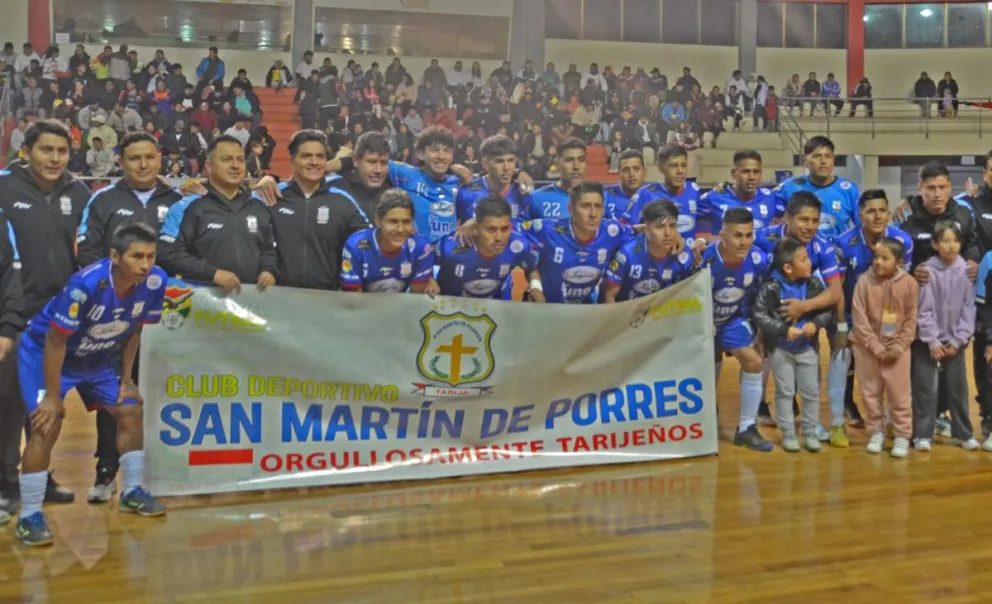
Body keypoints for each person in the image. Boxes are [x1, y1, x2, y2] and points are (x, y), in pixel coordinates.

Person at [14, 223, 167, 546]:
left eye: (151, 256)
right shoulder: (85, 285)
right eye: (136, 256)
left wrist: (127, 380)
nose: (145, 264)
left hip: (96, 356)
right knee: (46, 424)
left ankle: (131, 491)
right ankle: (29, 515)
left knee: (130, 410)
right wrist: (53, 398)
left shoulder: (155, 281)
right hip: (48, 354)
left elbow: (135, 329)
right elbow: (56, 341)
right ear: (115, 257)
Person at [75, 130, 183, 504]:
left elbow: (186, 253)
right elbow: (87, 251)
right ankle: (107, 471)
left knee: (160, 392)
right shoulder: (103, 199)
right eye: (134, 158)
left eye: (149, 157)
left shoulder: (179, 200)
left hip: (167, 317)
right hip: (116, 317)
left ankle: (156, 472)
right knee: (117, 392)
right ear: (121, 161)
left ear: (159, 159)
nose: (142, 164)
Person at [0, 120, 92, 510]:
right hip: (14, 311)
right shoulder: (4, 186)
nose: (55, 158)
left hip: (59, 316)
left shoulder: (80, 191)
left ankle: (37, 474)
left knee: (46, 401)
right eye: (46, 150)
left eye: (62, 151)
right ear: (27, 151)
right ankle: (5, 483)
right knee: (8, 401)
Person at [755, 192, 844, 444]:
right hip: (768, 314)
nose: (810, 226)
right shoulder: (765, 238)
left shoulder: (823, 246)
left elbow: (835, 291)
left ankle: (810, 425)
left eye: (815, 220)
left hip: (804, 319)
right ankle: (753, 418)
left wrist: (803, 308)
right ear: (787, 218)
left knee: (808, 373)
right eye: (803, 220)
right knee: (767, 368)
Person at [900, 163, 981, 437]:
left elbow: (973, 242)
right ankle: (921, 418)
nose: (937, 194)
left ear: (950, 188)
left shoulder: (963, 213)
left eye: (942, 187)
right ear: (919, 189)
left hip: (955, 305)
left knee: (953, 372)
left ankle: (943, 415)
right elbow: (897, 257)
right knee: (921, 372)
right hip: (920, 309)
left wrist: (973, 260)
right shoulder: (907, 218)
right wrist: (913, 271)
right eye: (930, 188)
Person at [158, 135, 278, 293]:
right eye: (226, 159)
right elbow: (167, 253)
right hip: (204, 305)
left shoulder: (259, 205)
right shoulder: (187, 207)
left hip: (252, 303)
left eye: (240, 160)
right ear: (209, 165)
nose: (235, 165)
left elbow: (269, 249)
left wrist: (268, 270)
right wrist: (212, 273)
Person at [835, 190, 914, 429]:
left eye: (882, 210)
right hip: (854, 312)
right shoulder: (843, 243)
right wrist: (840, 325)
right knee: (848, 363)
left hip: (890, 316)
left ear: (889, 213)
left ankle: (895, 417)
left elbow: (903, 285)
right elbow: (837, 287)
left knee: (892, 364)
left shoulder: (903, 241)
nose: (877, 216)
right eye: (871, 211)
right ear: (860, 215)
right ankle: (849, 404)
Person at [752, 238, 833, 452]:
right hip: (780, 350)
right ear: (788, 267)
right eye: (804, 259)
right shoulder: (771, 286)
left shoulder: (814, 284)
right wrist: (781, 330)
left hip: (807, 348)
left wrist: (815, 324)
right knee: (785, 392)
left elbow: (826, 311)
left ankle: (809, 432)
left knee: (811, 392)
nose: (809, 264)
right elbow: (759, 313)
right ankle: (788, 433)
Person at [700, 208, 771, 451]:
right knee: (708, 368)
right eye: (737, 235)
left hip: (732, 319)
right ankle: (705, 413)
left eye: (749, 235)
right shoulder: (704, 260)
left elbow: (762, 298)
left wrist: (760, 331)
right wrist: (702, 320)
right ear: (722, 235)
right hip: (701, 320)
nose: (744, 242)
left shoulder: (759, 260)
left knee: (754, 362)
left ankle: (747, 427)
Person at [268, 130, 370, 290]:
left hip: (327, 301)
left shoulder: (342, 200)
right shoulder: (274, 196)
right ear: (292, 160)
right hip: (280, 298)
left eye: (320, 156)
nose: (314, 162)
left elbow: (369, 242)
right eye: (306, 156)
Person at [850, 237, 918, 458]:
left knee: (900, 395)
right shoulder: (863, 282)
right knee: (870, 392)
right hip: (866, 348)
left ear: (898, 261)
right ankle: (876, 432)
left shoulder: (909, 284)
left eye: (885, 258)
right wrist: (875, 345)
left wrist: (899, 346)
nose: (878, 262)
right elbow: (859, 318)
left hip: (898, 349)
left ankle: (901, 436)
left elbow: (911, 318)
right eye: (876, 257)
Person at [914, 221, 977, 451]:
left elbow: (969, 309)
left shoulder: (966, 272)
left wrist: (959, 340)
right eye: (945, 241)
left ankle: (963, 434)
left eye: (955, 241)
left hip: (955, 344)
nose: (951, 246)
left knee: (958, 388)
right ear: (934, 244)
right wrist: (932, 340)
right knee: (925, 389)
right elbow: (924, 310)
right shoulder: (927, 272)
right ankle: (922, 434)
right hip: (927, 343)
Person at [521, 181, 632, 304]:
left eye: (598, 206)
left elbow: (641, 233)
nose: (593, 214)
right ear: (571, 209)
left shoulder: (613, 231)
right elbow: (512, 234)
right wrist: (535, 285)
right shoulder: (548, 229)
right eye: (585, 206)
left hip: (585, 306)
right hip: (546, 305)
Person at [428, 196, 543, 301]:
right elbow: (424, 263)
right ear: (476, 228)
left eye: (504, 229)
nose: (499, 238)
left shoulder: (518, 245)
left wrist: (535, 287)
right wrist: (430, 280)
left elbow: (532, 268)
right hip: (451, 307)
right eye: (491, 230)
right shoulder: (450, 247)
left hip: (496, 306)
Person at [621, 144, 707, 259]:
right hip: (655, 265)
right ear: (660, 168)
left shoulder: (694, 190)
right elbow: (623, 228)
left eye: (684, 165)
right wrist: (653, 229)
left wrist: (701, 240)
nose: (680, 171)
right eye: (673, 166)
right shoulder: (646, 193)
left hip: (687, 264)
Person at [340, 189, 433, 294]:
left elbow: (416, 298)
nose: (400, 230)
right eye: (393, 221)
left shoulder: (422, 247)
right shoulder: (355, 245)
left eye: (406, 222)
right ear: (378, 221)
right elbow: (353, 301)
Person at [603, 200, 695, 302]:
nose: (668, 233)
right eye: (660, 227)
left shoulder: (683, 256)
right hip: (626, 312)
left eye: (672, 226)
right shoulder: (626, 255)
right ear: (646, 229)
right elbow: (609, 295)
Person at [773, 136, 859, 244]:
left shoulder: (849, 189)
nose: (823, 161)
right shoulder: (789, 186)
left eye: (828, 156)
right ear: (805, 161)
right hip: (801, 256)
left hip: (837, 257)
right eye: (817, 156)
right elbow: (772, 219)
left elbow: (862, 226)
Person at [698, 149, 781, 241]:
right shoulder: (714, 197)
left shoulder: (770, 197)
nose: (752, 177)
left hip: (759, 254)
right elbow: (685, 214)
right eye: (745, 171)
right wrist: (702, 240)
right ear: (733, 174)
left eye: (756, 172)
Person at [456, 135, 532, 227]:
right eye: (499, 161)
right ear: (485, 164)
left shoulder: (524, 195)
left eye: (511, 160)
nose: (506, 167)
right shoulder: (465, 193)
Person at [527, 138, 588, 219]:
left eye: (581, 160)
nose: (576, 166)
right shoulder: (536, 198)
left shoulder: (602, 199)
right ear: (557, 164)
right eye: (569, 160)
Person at [603, 150, 648, 220]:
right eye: (626, 170)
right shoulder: (605, 196)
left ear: (644, 172)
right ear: (619, 173)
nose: (631, 174)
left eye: (636, 169)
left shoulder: (656, 196)